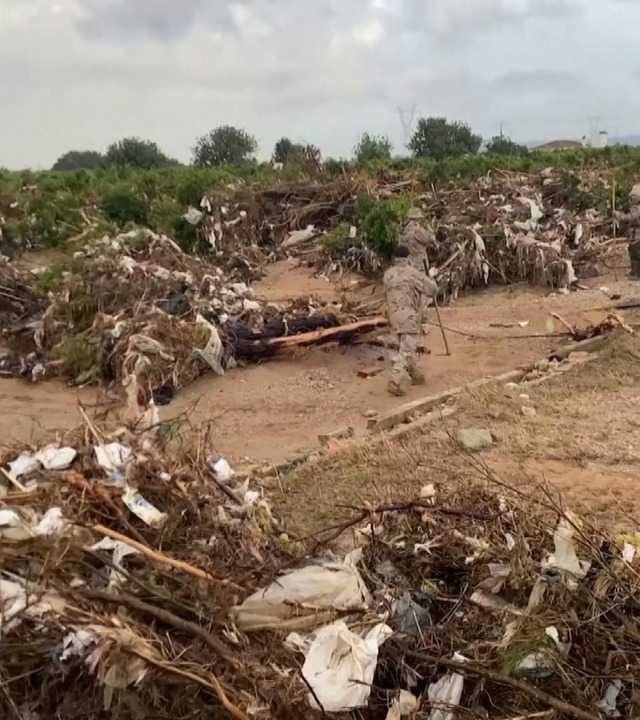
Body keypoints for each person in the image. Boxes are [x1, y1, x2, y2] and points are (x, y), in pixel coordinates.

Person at [384, 245, 438, 396]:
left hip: (393, 316)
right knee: (407, 350)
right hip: (408, 315)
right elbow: (432, 290)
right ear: (407, 258)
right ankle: (395, 381)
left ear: (395, 258)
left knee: (405, 345)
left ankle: (415, 374)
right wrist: (431, 278)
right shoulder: (413, 273)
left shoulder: (388, 274)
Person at [398, 207, 437, 273]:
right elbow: (431, 238)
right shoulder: (417, 230)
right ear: (417, 218)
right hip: (420, 264)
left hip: (408, 263)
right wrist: (428, 227)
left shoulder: (403, 231)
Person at [615, 185, 640, 278]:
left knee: (637, 253)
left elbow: (631, 217)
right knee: (633, 252)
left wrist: (619, 215)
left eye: (634, 197)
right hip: (634, 233)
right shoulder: (635, 207)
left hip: (638, 234)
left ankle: (637, 273)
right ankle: (634, 272)